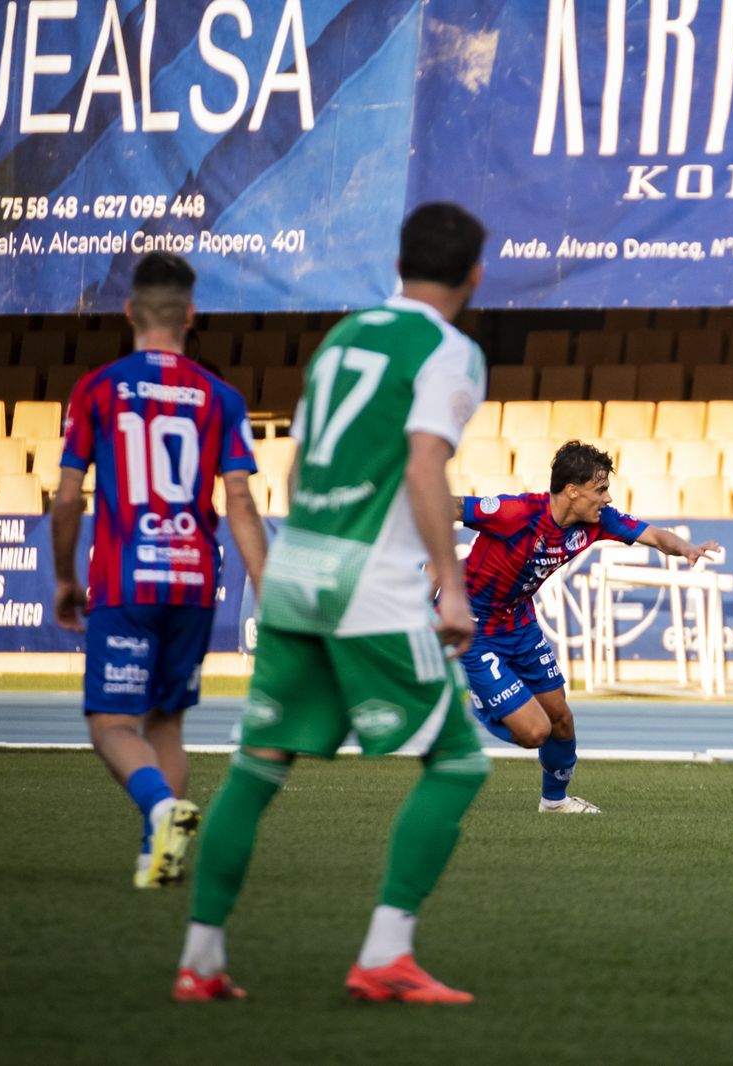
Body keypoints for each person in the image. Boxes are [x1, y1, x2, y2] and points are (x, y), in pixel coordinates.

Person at [174, 203, 492, 1004]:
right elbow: (425, 468)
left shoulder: (344, 336)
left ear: (401, 261)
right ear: (474, 275)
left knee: (257, 766)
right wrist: (451, 588)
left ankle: (200, 960)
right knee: (457, 762)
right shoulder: (450, 350)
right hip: (372, 584)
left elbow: (296, 468)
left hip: (296, 568)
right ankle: (386, 954)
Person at [52, 252, 268, 889]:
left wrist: (66, 577)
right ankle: (161, 856)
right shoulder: (220, 396)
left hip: (125, 576)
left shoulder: (98, 387)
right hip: (196, 579)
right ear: (191, 315)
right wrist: (267, 588)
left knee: (112, 725)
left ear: (127, 311)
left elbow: (68, 498)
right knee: (167, 722)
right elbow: (241, 502)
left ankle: (160, 809)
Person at [457, 441, 717, 811]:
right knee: (535, 732)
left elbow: (656, 536)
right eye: (600, 489)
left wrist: (687, 549)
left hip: (519, 622)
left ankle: (555, 802)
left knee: (561, 720)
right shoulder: (515, 512)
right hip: (474, 627)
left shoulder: (597, 523)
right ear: (572, 490)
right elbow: (446, 506)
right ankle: (481, 699)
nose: (608, 498)